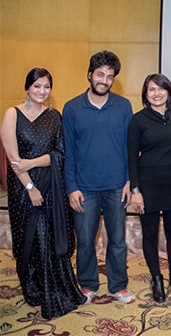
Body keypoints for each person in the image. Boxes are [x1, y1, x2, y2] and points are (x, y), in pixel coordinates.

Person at [0, 68, 86, 319]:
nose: (42, 91)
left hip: (52, 186)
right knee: (29, 237)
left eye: (47, 86)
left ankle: (54, 287)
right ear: (27, 87)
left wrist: (33, 163)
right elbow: (14, 160)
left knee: (49, 237)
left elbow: (60, 154)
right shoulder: (12, 114)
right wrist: (30, 187)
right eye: (37, 86)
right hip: (22, 188)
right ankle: (33, 288)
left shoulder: (54, 116)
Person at [62, 51, 135, 304]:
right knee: (85, 242)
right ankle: (87, 284)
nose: (104, 80)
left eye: (110, 76)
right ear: (90, 75)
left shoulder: (124, 106)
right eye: (100, 74)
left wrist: (128, 181)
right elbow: (68, 151)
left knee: (117, 241)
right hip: (84, 188)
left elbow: (129, 148)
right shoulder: (71, 108)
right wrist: (71, 187)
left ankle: (118, 285)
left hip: (117, 187)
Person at [127, 74, 171, 303]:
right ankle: (157, 279)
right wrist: (136, 190)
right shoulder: (137, 120)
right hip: (147, 184)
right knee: (150, 235)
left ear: (169, 93)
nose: (157, 94)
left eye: (161, 89)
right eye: (152, 89)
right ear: (145, 94)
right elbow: (131, 157)